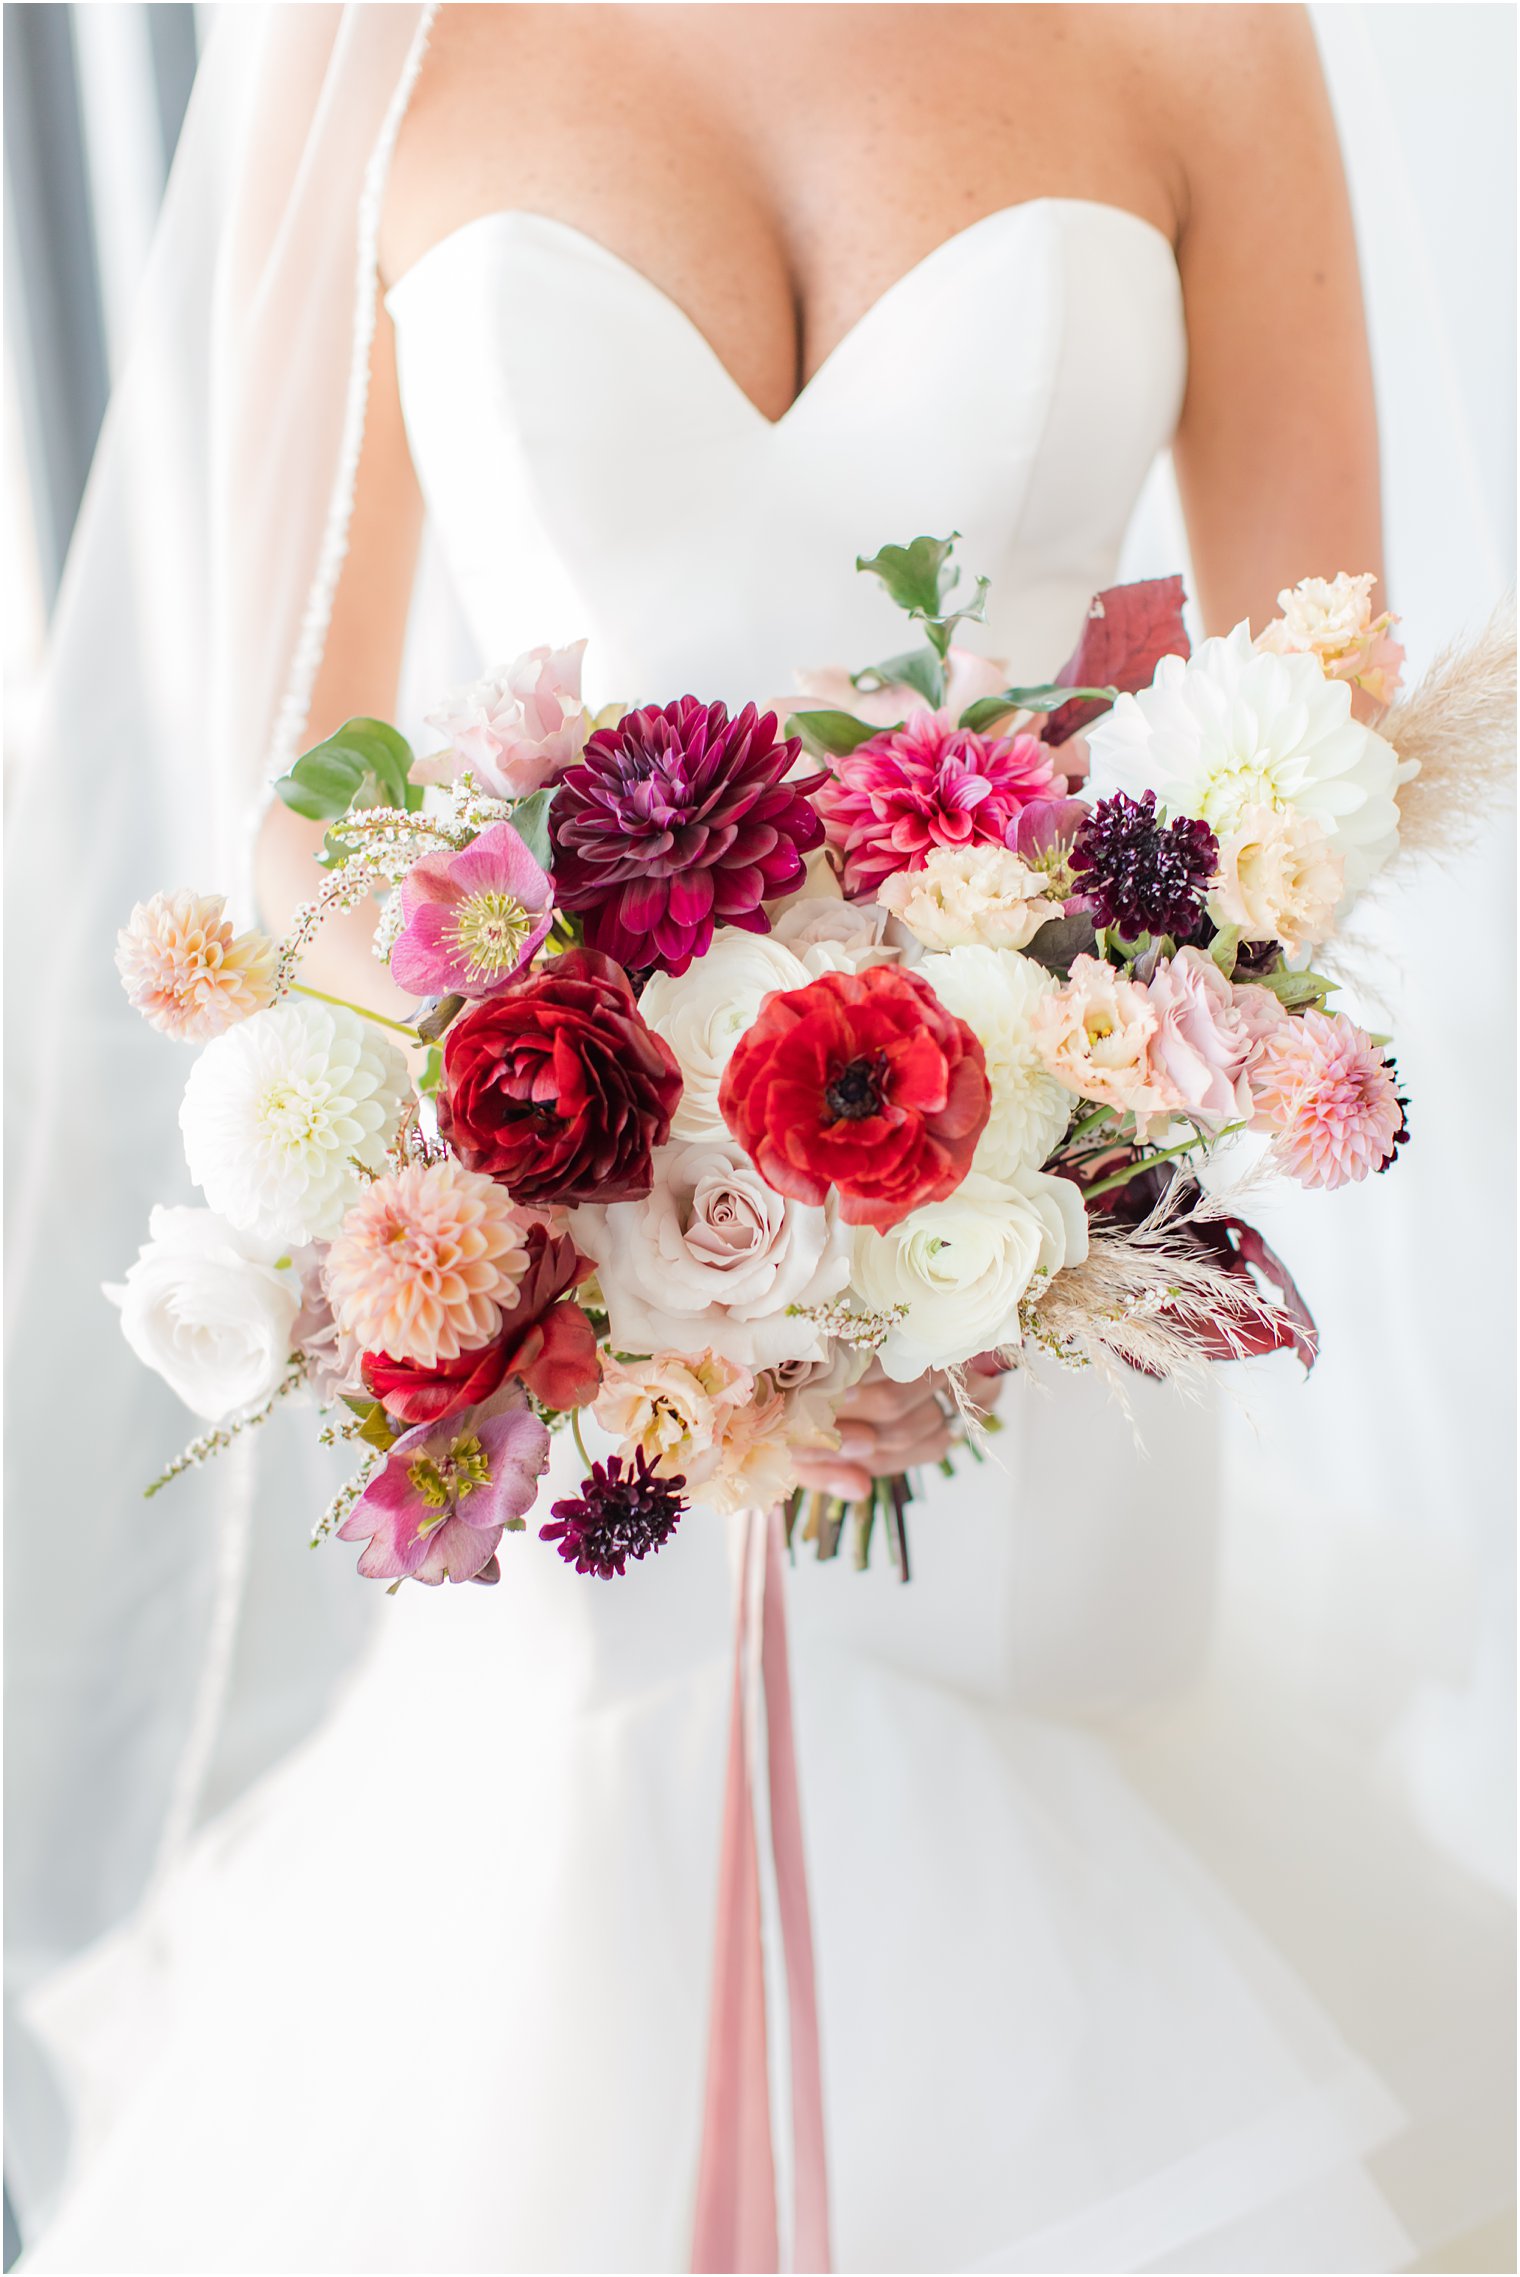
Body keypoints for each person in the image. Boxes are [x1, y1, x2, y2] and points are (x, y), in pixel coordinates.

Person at [11, 7, 1509, 2271]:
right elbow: (292, 829)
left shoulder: (1199, 29)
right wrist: (651, 1307)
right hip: (585, 1365)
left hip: (1030, 1325)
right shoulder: (371, 57)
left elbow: (1319, 743)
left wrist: (1008, 1207)